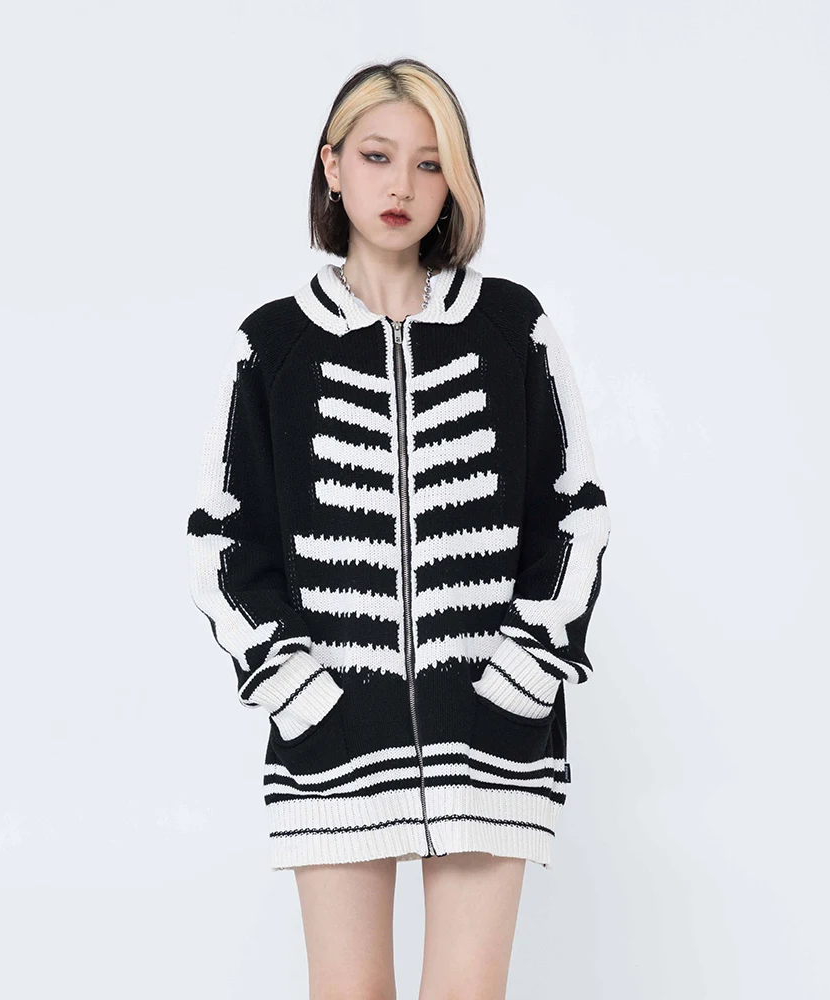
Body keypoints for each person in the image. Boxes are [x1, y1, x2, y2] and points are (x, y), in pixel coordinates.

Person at [186, 57, 611, 999]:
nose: (402, 187)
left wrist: (524, 674)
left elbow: (575, 514)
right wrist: (299, 692)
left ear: (453, 183)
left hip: (491, 730)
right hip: (332, 735)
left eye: (430, 164)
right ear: (332, 165)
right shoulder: (272, 343)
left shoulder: (511, 325)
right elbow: (223, 545)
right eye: (378, 156)